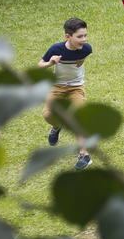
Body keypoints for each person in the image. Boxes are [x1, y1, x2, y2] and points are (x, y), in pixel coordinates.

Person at [37, 18, 94, 171]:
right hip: (57, 87)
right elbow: (39, 65)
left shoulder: (86, 49)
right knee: (48, 114)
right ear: (68, 37)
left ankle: (84, 154)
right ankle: (57, 126)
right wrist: (50, 63)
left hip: (76, 88)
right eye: (79, 37)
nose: (84, 40)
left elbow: (79, 61)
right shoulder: (56, 49)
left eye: (85, 35)